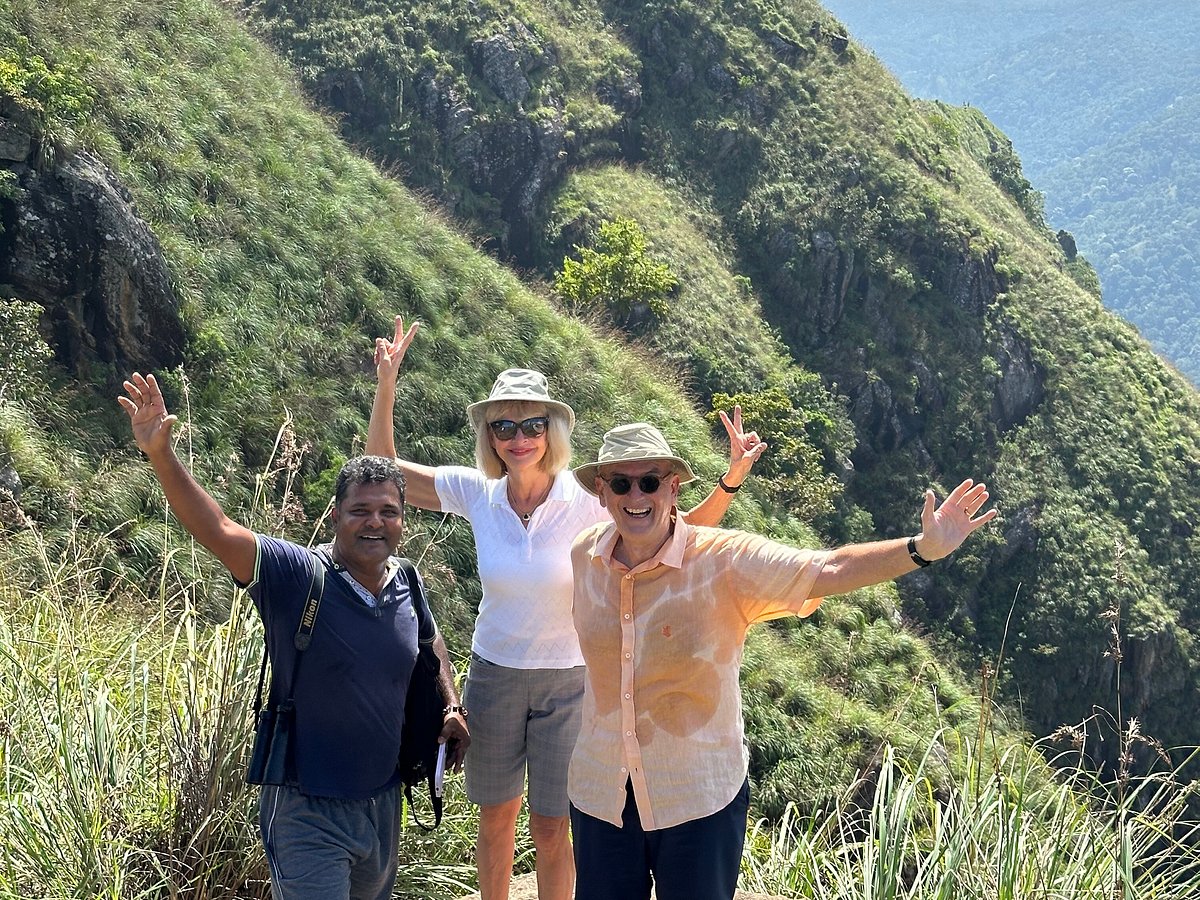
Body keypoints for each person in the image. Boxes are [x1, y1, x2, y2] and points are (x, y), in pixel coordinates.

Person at [366, 317, 765, 900]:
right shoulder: (478, 491)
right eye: (504, 425)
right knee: (495, 817)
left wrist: (729, 482)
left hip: (571, 680)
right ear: (490, 434)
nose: (518, 436)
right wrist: (387, 383)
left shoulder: (588, 499)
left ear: (552, 430)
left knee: (554, 826)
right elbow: (383, 473)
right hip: (495, 673)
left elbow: (673, 532)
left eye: (532, 423)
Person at [567, 422, 998, 900]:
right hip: (600, 792)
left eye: (649, 481)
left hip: (697, 795)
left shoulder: (725, 561)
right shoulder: (583, 555)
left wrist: (922, 550)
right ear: (603, 492)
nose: (636, 495)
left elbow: (827, 567)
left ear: (673, 489)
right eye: (622, 483)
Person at [118, 372, 470, 900]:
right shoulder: (296, 575)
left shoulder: (407, 581)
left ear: (403, 522)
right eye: (360, 511)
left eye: (388, 512)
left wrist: (451, 704)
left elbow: (430, 643)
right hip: (305, 807)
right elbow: (219, 530)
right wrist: (162, 456)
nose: (374, 523)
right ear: (335, 517)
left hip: (382, 802)